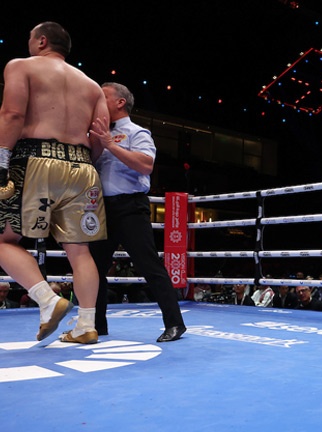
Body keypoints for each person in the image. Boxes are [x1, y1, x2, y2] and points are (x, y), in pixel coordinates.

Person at [0, 22, 108, 343]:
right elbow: (99, 140)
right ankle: (86, 325)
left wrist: (2, 162)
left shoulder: (21, 66)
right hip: (83, 167)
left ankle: (48, 301)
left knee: (4, 240)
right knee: (80, 250)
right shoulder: (93, 87)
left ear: (42, 41)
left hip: (34, 159)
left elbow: (12, 115)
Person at [88, 82, 186, 342]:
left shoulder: (137, 132)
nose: (98, 99)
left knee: (149, 266)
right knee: (94, 269)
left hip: (131, 207)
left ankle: (175, 324)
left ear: (120, 102)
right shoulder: (98, 133)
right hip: (102, 209)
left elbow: (146, 165)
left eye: (104, 96)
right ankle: (97, 325)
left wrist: (110, 144)